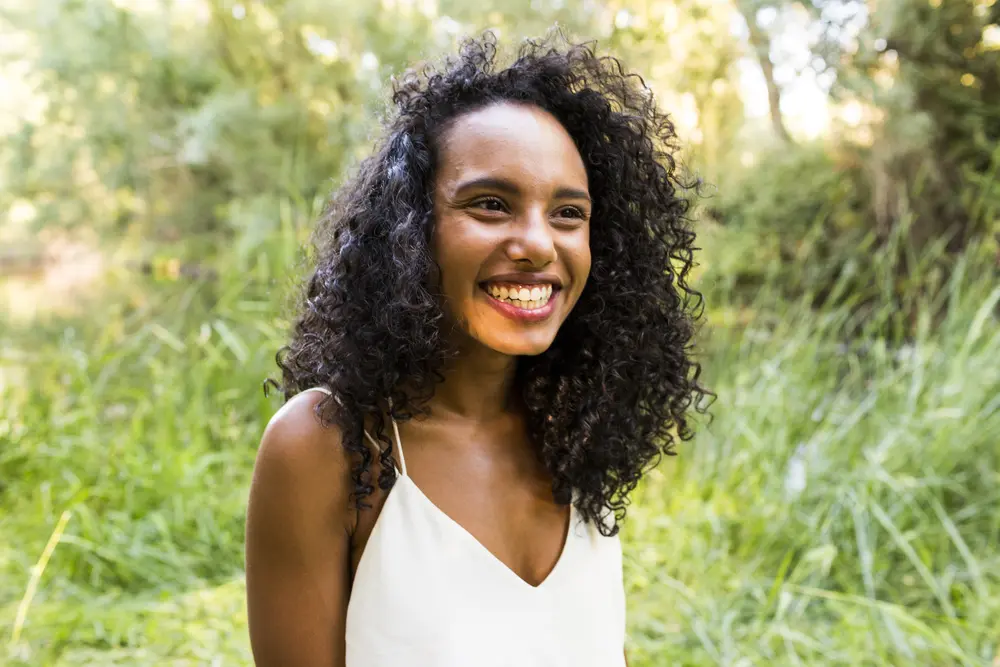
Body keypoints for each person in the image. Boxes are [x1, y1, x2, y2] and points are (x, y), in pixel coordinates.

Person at [245, 30, 710, 667]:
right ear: (410, 230)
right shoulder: (327, 446)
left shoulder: (578, 427)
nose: (539, 244)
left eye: (568, 214)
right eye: (491, 205)